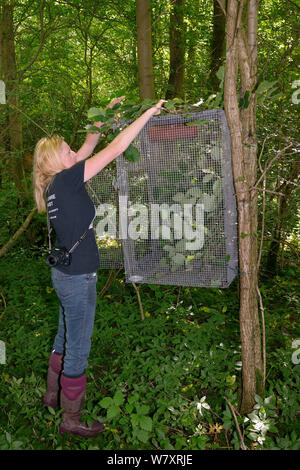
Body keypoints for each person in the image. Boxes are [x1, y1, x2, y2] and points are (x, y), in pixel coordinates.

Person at [33, 96, 166, 437]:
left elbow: (90, 144)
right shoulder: (67, 180)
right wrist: (148, 115)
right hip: (78, 279)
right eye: (67, 150)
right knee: (79, 346)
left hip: (65, 275)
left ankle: (52, 395)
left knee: (63, 337)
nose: (73, 152)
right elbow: (117, 147)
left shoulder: (55, 184)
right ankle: (71, 419)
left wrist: (105, 114)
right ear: (57, 160)